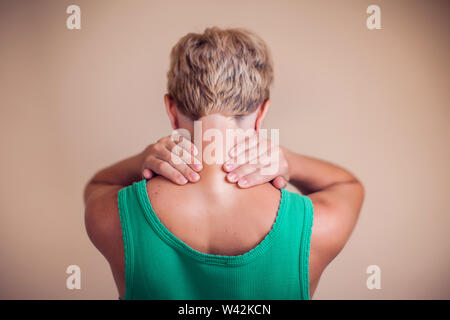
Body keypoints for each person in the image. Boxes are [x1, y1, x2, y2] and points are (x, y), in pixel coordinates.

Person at [84, 27, 364, 300]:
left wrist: (142, 159)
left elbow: (97, 184)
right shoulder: (317, 226)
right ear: (261, 112)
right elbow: (348, 185)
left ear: (171, 109)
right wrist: (287, 159)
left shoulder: (113, 217)